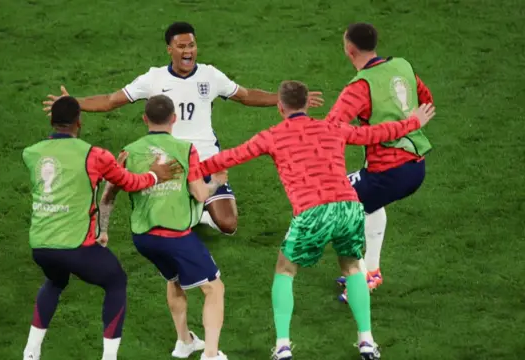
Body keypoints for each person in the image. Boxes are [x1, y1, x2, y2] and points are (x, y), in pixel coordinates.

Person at [197, 81, 436, 360]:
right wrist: (412, 122)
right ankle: (367, 342)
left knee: (285, 270)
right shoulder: (332, 126)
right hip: (349, 207)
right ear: (307, 103)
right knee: (352, 269)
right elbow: (374, 134)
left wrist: (186, 168)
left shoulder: (271, 136)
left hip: (313, 211)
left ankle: (283, 346)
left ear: (280, 106)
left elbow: (230, 157)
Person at [42, 21, 324, 236]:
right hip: (169, 159)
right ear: (170, 49)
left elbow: (246, 95)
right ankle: (189, 202)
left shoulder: (211, 75)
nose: (188, 51)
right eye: (181, 46)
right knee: (163, 229)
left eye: (191, 46)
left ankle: (196, 208)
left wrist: (285, 99)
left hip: (205, 157)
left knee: (228, 224)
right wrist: (73, 101)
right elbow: (111, 100)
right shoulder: (153, 78)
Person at [21, 96, 182, 360]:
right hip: (76, 246)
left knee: (55, 280)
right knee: (116, 281)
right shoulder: (94, 155)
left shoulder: (31, 153)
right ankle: (109, 357)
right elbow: (130, 182)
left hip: (40, 245)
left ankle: (31, 352)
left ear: (52, 121)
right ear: (79, 122)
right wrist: (155, 174)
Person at [98, 95, 229, 360]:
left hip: (144, 239)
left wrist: (103, 230)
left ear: (145, 119)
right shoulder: (185, 149)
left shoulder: (128, 152)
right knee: (214, 288)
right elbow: (200, 194)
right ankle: (211, 354)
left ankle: (184, 342)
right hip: (175, 236)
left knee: (174, 279)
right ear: (174, 119)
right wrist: (216, 182)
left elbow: (107, 196)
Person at [326, 23, 435, 302]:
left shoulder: (360, 87)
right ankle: (372, 271)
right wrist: (407, 121)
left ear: (349, 50)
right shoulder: (402, 66)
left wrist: (365, 134)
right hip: (415, 166)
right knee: (368, 202)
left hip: (388, 171)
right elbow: (426, 100)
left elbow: (332, 128)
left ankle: (361, 280)